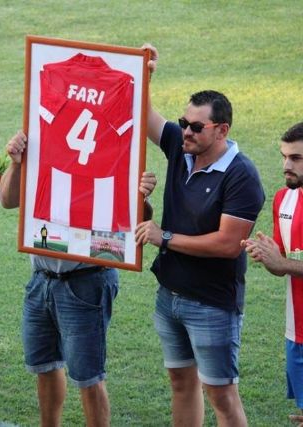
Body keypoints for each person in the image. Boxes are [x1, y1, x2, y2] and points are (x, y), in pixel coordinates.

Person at [135, 44, 265, 426]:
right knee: (180, 382)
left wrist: (166, 238)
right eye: (183, 122)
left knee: (222, 396)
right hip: (170, 295)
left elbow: (227, 245)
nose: (185, 131)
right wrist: (147, 73)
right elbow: (144, 116)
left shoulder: (242, 176)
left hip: (212, 303)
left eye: (196, 126)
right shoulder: (181, 146)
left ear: (222, 130)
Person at [0, 130, 157, 426]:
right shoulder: (38, 136)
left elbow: (136, 222)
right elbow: (8, 200)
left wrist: (140, 196)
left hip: (86, 279)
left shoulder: (113, 144)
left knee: (88, 376)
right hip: (41, 278)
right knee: (44, 366)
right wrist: (16, 163)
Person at [242, 122, 303, 427]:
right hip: (297, 329)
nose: (286, 166)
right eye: (284, 156)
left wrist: (283, 264)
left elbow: (286, 265)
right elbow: (283, 264)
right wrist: (267, 255)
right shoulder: (284, 199)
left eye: (296, 158)